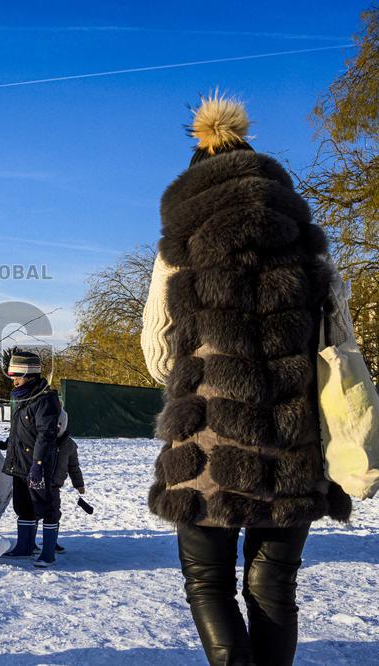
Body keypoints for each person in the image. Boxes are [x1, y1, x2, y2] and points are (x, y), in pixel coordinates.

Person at [142, 94, 353, 666]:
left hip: (208, 449)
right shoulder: (312, 256)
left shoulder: (177, 255)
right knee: (275, 587)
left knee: (207, 582)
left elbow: (160, 360)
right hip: (293, 445)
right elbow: (341, 353)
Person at [0, 350, 63, 567]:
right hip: (19, 462)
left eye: (17, 377)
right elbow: (20, 431)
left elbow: (45, 435)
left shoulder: (45, 399)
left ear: (29, 374)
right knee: (23, 506)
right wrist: (3, 444)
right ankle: (25, 546)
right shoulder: (21, 397)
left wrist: (38, 465)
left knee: (45, 506)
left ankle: (48, 552)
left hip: (38, 464)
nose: (14, 381)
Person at [49, 409, 84, 554]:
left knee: (53, 513)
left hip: (55, 485)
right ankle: (31, 541)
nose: (56, 427)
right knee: (35, 512)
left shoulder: (69, 445)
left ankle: (51, 541)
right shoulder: (43, 440)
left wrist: (79, 484)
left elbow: (74, 467)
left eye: (59, 425)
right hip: (39, 483)